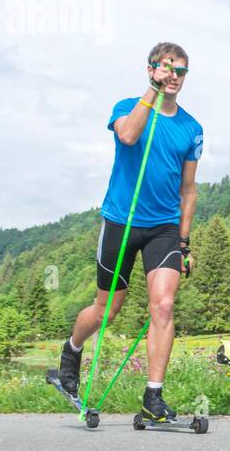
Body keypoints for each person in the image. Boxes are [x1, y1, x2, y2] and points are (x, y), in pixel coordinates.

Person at [58, 43, 203, 422]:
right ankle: (72, 349)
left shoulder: (192, 128)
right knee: (108, 309)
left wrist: (184, 242)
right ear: (151, 69)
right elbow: (127, 136)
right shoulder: (127, 106)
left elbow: (189, 189)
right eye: (166, 68)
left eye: (180, 71)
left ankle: (153, 396)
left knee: (164, 304)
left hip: (164, 228)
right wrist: (151, 92)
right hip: (121, 221)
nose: (174, 76)